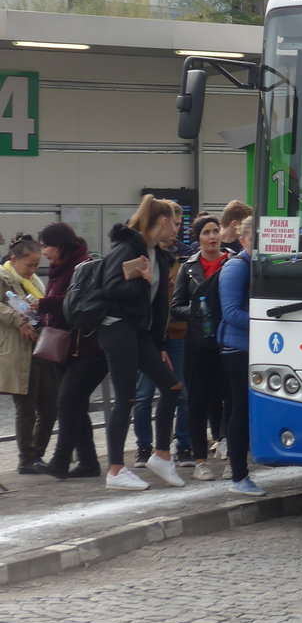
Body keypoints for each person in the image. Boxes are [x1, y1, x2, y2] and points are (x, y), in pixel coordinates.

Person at [97, 195, 187, 491]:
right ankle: (115, 471)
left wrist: (161, 345)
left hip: (142, 333)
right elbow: (110, 289)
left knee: (172, 386)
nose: (177, 230)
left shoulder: (157, 255)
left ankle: (161, 456)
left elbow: (158, 308)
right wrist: (143, 282)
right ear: (162, 223)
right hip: (118, 329)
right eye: (174, 225)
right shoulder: (129, 248)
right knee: (127, 398)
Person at [35, 222, 104, 480]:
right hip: (63, 348)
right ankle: (88, 463)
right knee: (74, 405)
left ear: (60, 245)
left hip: (86, 348)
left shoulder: (82, 266)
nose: (44, 252)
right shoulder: (58, 268)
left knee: (66, 402)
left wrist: (42, 304)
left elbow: (74, 305)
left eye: (46, 246)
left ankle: (60, 461)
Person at [132, 200, 193, 469]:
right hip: (149, 336)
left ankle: (182, 445)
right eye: (173, 224)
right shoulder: (144, 253)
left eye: (180, 224)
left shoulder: (185, 257)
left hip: (176, 333)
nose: (176, 231)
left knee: (180, 392)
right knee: (143, 394)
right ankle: (144, 448)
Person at [170, 213, 229, 481]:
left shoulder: (233, 263)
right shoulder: (188, 267)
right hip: (198, 344)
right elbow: (176, 306)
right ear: (198, 238)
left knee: (231, 397)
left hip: (228, 341)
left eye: (215, 231)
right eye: (206, 232)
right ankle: (200, 460)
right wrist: (197, 311)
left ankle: (230, 452)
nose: (212, 237)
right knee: (197, 401)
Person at [217, 216, 266, 496]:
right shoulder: (236, 267)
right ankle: (238, 474)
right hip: (237, 349)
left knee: (246, 409)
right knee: (239, 409)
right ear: (244, 239)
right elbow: (231, 313)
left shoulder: (260, 265)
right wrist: (265, 322)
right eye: (255, 237)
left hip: (253, 347)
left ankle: (242, 471)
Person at [0, 234, 54, 473]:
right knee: (26, 407)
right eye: (28, 265)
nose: (32, 270)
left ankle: (37, 454)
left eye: (36, 266)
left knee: (50, 406)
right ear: (14, 259)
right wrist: (18, 319)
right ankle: (26, 459)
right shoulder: (4, 278)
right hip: (19, 351)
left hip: (41, 347)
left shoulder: (34, 282)